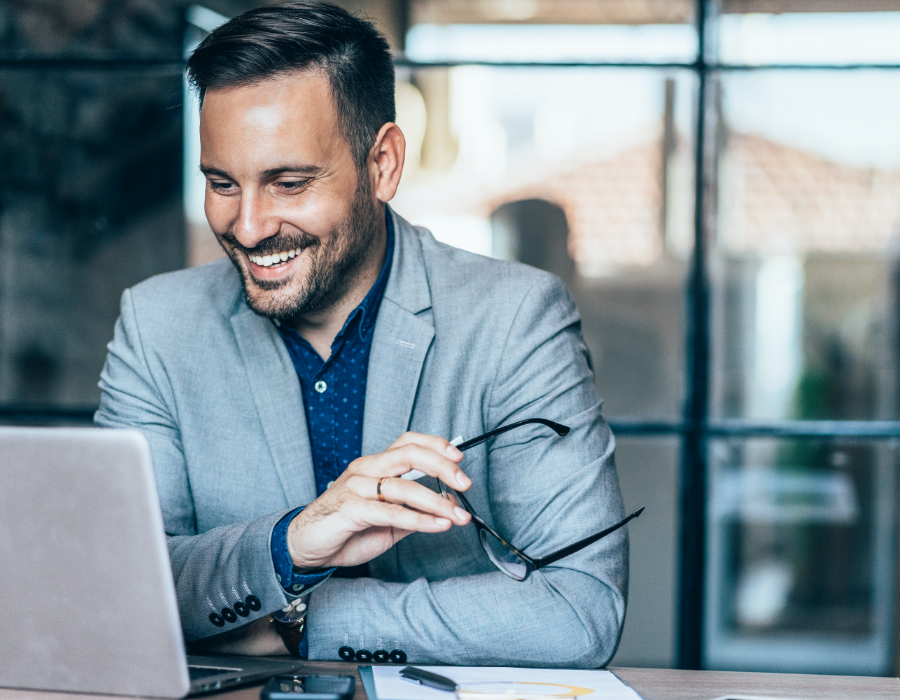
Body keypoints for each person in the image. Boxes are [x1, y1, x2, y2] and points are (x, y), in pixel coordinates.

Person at [95, 1, 628, 667]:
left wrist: (303, 620)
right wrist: (292, 543)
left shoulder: (516, 319)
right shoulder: (156, 326)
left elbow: (581, 610)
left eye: (289, 183)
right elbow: (120, 586)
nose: (250, 226)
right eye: (222, 183)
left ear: (382, 164)